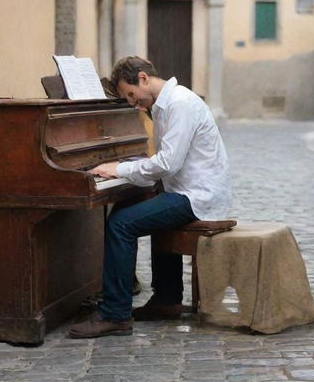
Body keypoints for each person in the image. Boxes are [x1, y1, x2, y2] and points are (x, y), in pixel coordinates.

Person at [68, 56, 231, 339]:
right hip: (183, 189)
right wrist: (125, 173)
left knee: (121, 223)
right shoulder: (163, 105)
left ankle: (115, 315)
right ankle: (167, 300)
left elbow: (167, 164)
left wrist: (119, 168)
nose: (132, 103)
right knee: (130, 206)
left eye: (131, 95)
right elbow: (163, 166)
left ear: (143, 78)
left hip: (198, 197)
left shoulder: (179, 104)